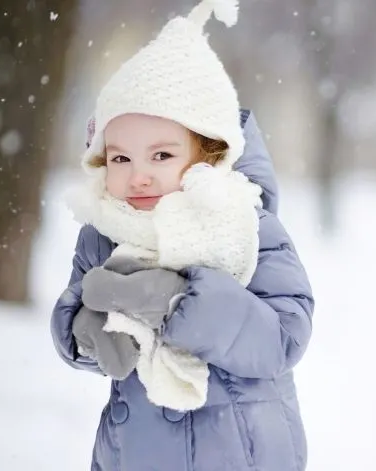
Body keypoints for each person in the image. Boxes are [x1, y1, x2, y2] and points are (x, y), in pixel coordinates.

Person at [49, 1, 314, 470]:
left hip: (240, 453)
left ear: (210, 154)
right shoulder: (104, 234)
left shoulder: (246, 227)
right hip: (136, 452)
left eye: (161, 156)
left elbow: (284, 337)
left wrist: (177, 302)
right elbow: (77, 312)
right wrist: (89, 335)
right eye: (121, 158)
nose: (139, 176)